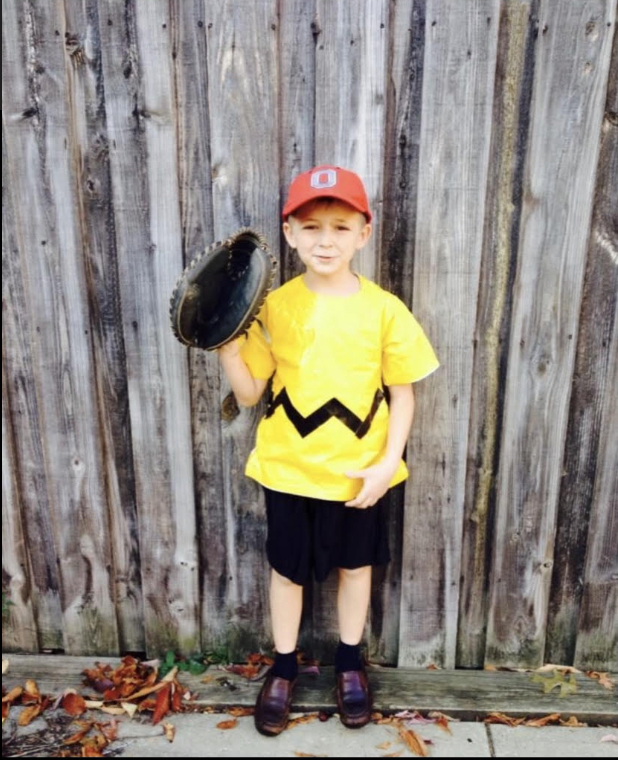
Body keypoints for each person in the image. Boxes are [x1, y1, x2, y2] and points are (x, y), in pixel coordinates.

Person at [217, 165, 439, 736]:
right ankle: (285, 667)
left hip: (358, 473)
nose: (325, 240)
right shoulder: (272, 307)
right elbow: (248, 393)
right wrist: (224, 345)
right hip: (288, 469)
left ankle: (348, 662)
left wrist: (388, 464)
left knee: (355, 568)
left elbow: (402, 392)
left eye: (340, 227)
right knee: (287, 573)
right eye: (311, 226)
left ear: (363, 233)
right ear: (288, 233)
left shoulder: (384, 309)